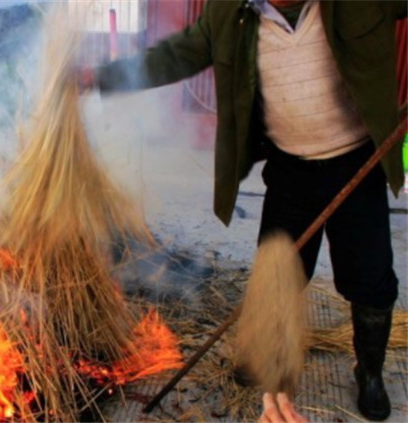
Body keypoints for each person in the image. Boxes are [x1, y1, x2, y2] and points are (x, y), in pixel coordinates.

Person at [79, 0, 406, 421]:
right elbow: (175, 55)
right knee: (277, 270)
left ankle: (371, 373)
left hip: (357, 165)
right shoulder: (230, 12)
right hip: (290, 169)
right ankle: (265, 354)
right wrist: (100, 77)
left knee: (371, 281)